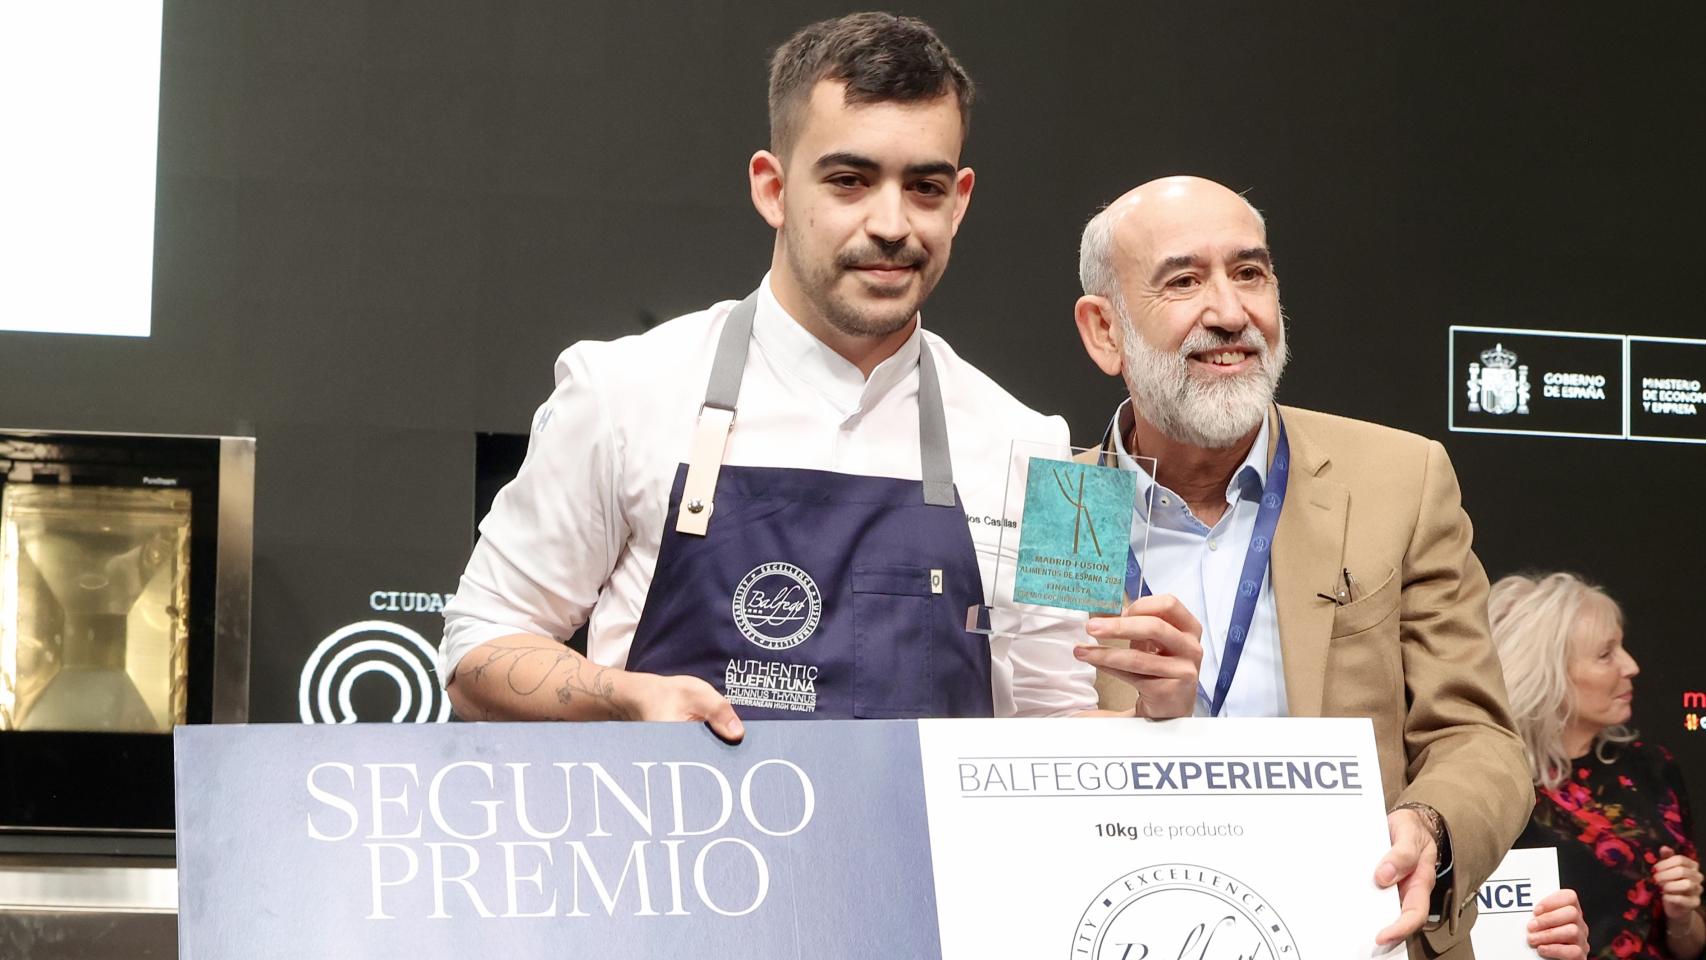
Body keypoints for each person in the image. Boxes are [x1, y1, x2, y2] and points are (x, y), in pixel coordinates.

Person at [438, 14, 1204, 736]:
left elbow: (1055, 715)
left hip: (927, 873)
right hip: (685, 859)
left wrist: (1158, 722)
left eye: (926, 188)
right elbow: (475, 648)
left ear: (960, 202)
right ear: (773, 187)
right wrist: (624, 698)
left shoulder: (1051, 458)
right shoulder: (612, 389)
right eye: (849, 180)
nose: (892, 224)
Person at [1071, 175, 1534, 958]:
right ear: (1104, 331)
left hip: (1361, 934)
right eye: (1184, 280)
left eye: (1250, 273)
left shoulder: (1399, 479)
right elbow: (1019, 743)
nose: (1230, 311)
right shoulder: (1063, 504)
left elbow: (1478, 736)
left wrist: (1430, 825)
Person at [1489, 572, 1705, 958]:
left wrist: (1683, 916)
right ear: (1548, 675)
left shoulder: (1653, 770)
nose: (1631, 666)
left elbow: (1689, 947)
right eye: (1606, 655)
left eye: (1621, 648)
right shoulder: (1496, 790)